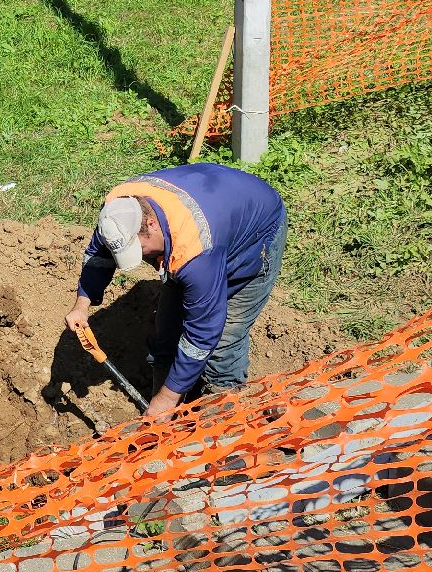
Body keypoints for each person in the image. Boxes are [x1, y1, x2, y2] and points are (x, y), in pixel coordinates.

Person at [63, 164, 288, 418]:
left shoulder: (195, 252)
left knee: (222, 346)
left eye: (141, 250)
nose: (144, 259)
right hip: (212, 211)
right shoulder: (118, 212)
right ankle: (168, 413)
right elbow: (98, 257)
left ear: (151, 224)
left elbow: (203, 333)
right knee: (167, 336)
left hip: (255, 233)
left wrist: (167, 400)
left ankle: (226, 424)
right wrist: (82, 305)